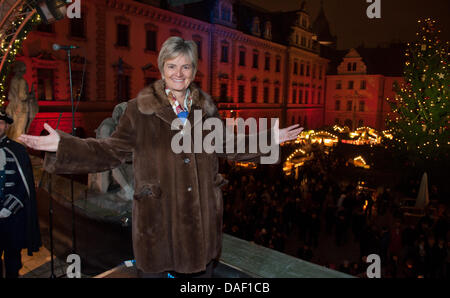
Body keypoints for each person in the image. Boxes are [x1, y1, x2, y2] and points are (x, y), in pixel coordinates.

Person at [18, 36, 302, 278]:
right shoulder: (139, 110)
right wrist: (64, 145)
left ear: (193, 71)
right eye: (172, 66)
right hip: (159, 228)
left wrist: (270, 138)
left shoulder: (206, 110)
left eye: (186, 66)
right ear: (162, 69)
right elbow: (109, 151)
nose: (179, 73)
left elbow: (229, 145)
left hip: (201, 228)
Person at [0, 110, 41, 278]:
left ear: (6, 126)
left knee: (12, 257)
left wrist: (9, 208)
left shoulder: (18, 150)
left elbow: (24, 186)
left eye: (1, 123)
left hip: (12, 216)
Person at [6, 61, 38, 141]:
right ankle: (19, 149)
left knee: (13, 129)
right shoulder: (22, 81)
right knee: (20, 130)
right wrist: (31, 96)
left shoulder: (13, 80)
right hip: (21, 108)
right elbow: (22, 96)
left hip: (12, 106)